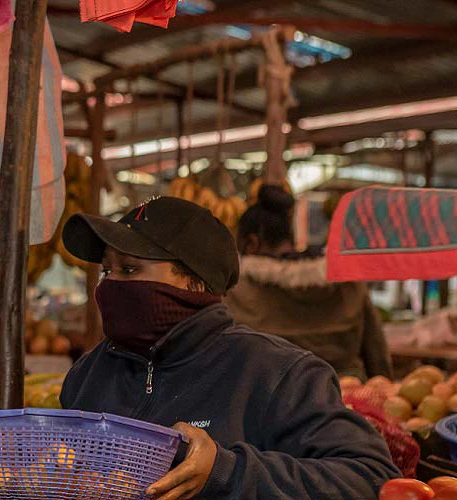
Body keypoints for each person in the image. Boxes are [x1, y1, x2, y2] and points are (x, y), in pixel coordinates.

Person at [54, 196, 398, 499]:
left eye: (129, 269)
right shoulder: (89, 374)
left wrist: (226, 472)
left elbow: (371, 478)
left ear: (195, 281)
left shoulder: (279, 374)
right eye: (107, 271)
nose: (111, 284)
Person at [225, 185, 392, 380]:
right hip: (344, 399)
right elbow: (377, 357)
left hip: (268, 399)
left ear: (252, 243)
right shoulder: (348, 282)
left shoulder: (236, 289)